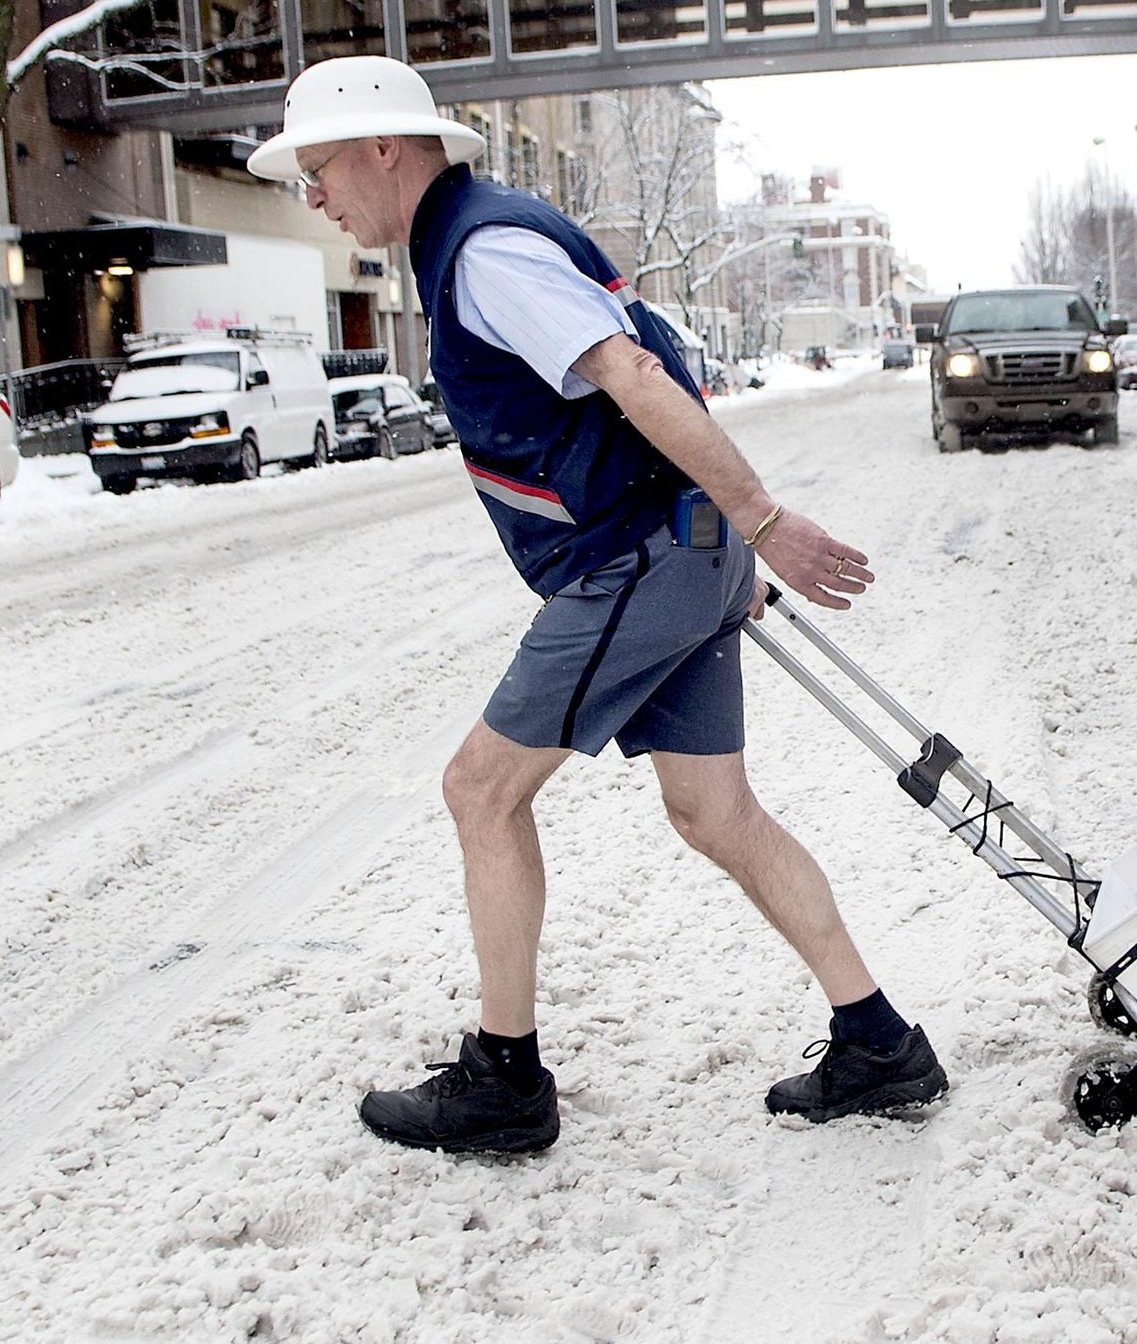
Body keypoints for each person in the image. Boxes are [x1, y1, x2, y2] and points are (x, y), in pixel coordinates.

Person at [248, 57, 946, 1153]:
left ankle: (505, 1082)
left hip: (640, 557)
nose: (315, 195)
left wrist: (755, 522)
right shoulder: (485, 238)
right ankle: (878, 1040)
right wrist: (721, 547)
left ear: (386, 146)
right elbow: (640, 382)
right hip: (678, 547)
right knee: (714, 812)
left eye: (319, 167)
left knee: (479, 790)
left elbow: (634, 374)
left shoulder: (483, 253)